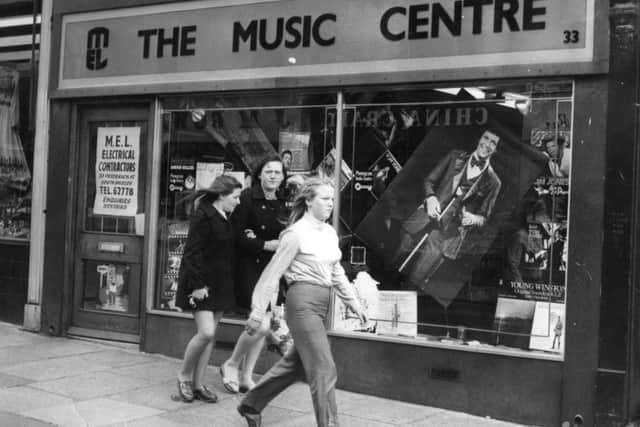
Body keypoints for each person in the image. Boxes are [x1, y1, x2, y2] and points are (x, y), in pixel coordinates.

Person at [236, 177, 368, 427]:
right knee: (323, 367)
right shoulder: (294, 234)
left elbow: (335, 270)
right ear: (308, 201)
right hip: (302, 304)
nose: (330, 204)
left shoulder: (329, 232)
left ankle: (250, 404)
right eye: (325, 199)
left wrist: (353, 302)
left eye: (332, 199)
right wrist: (257, 311)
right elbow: (272, 274)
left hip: (322, 304)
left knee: (295, 366)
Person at [394, 129, 502, 307]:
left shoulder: (494, 181)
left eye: (493, 143)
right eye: (486, 138)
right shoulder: (455, 156)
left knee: (415, 280)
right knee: (395, 261)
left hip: (446, 235)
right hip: (422, 220)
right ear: (479, 138)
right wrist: (431, 198)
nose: (487, 144)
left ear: (496, 150)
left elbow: (485, 217)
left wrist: (473, 218)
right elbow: (429, 181)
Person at [220, 157, 289, 394]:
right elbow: (237, 234)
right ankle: (231, 364)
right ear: (259, 174)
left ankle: (246, 376)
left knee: (264, 323)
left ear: (282, 177)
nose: (272, 176)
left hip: (272, 269)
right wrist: (263, 245)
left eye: (277, 172)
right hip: (249, 268)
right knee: (260, 323)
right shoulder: (247, 197)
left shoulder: (281, 202)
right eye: (268, 171)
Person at [174, 175, 243, 404]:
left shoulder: (226, 216)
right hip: (200, 284)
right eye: (235, 197)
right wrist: (197, 286)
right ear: (222, 195)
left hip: (220, 284)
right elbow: (192, 253)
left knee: (210, 338)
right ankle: (184, 376)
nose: (238, 201)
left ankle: (198, 384)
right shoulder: (203, 215)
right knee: (207, 333)